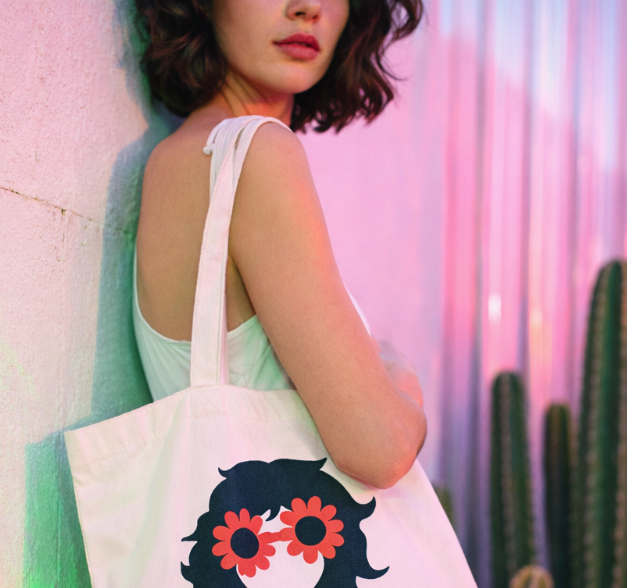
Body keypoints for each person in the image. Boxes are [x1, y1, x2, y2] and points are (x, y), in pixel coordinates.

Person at [134, 0, 426, 489]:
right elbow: (381, 446)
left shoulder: (180, 156)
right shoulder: (257, 152)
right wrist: (401, 380)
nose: (306, 7)